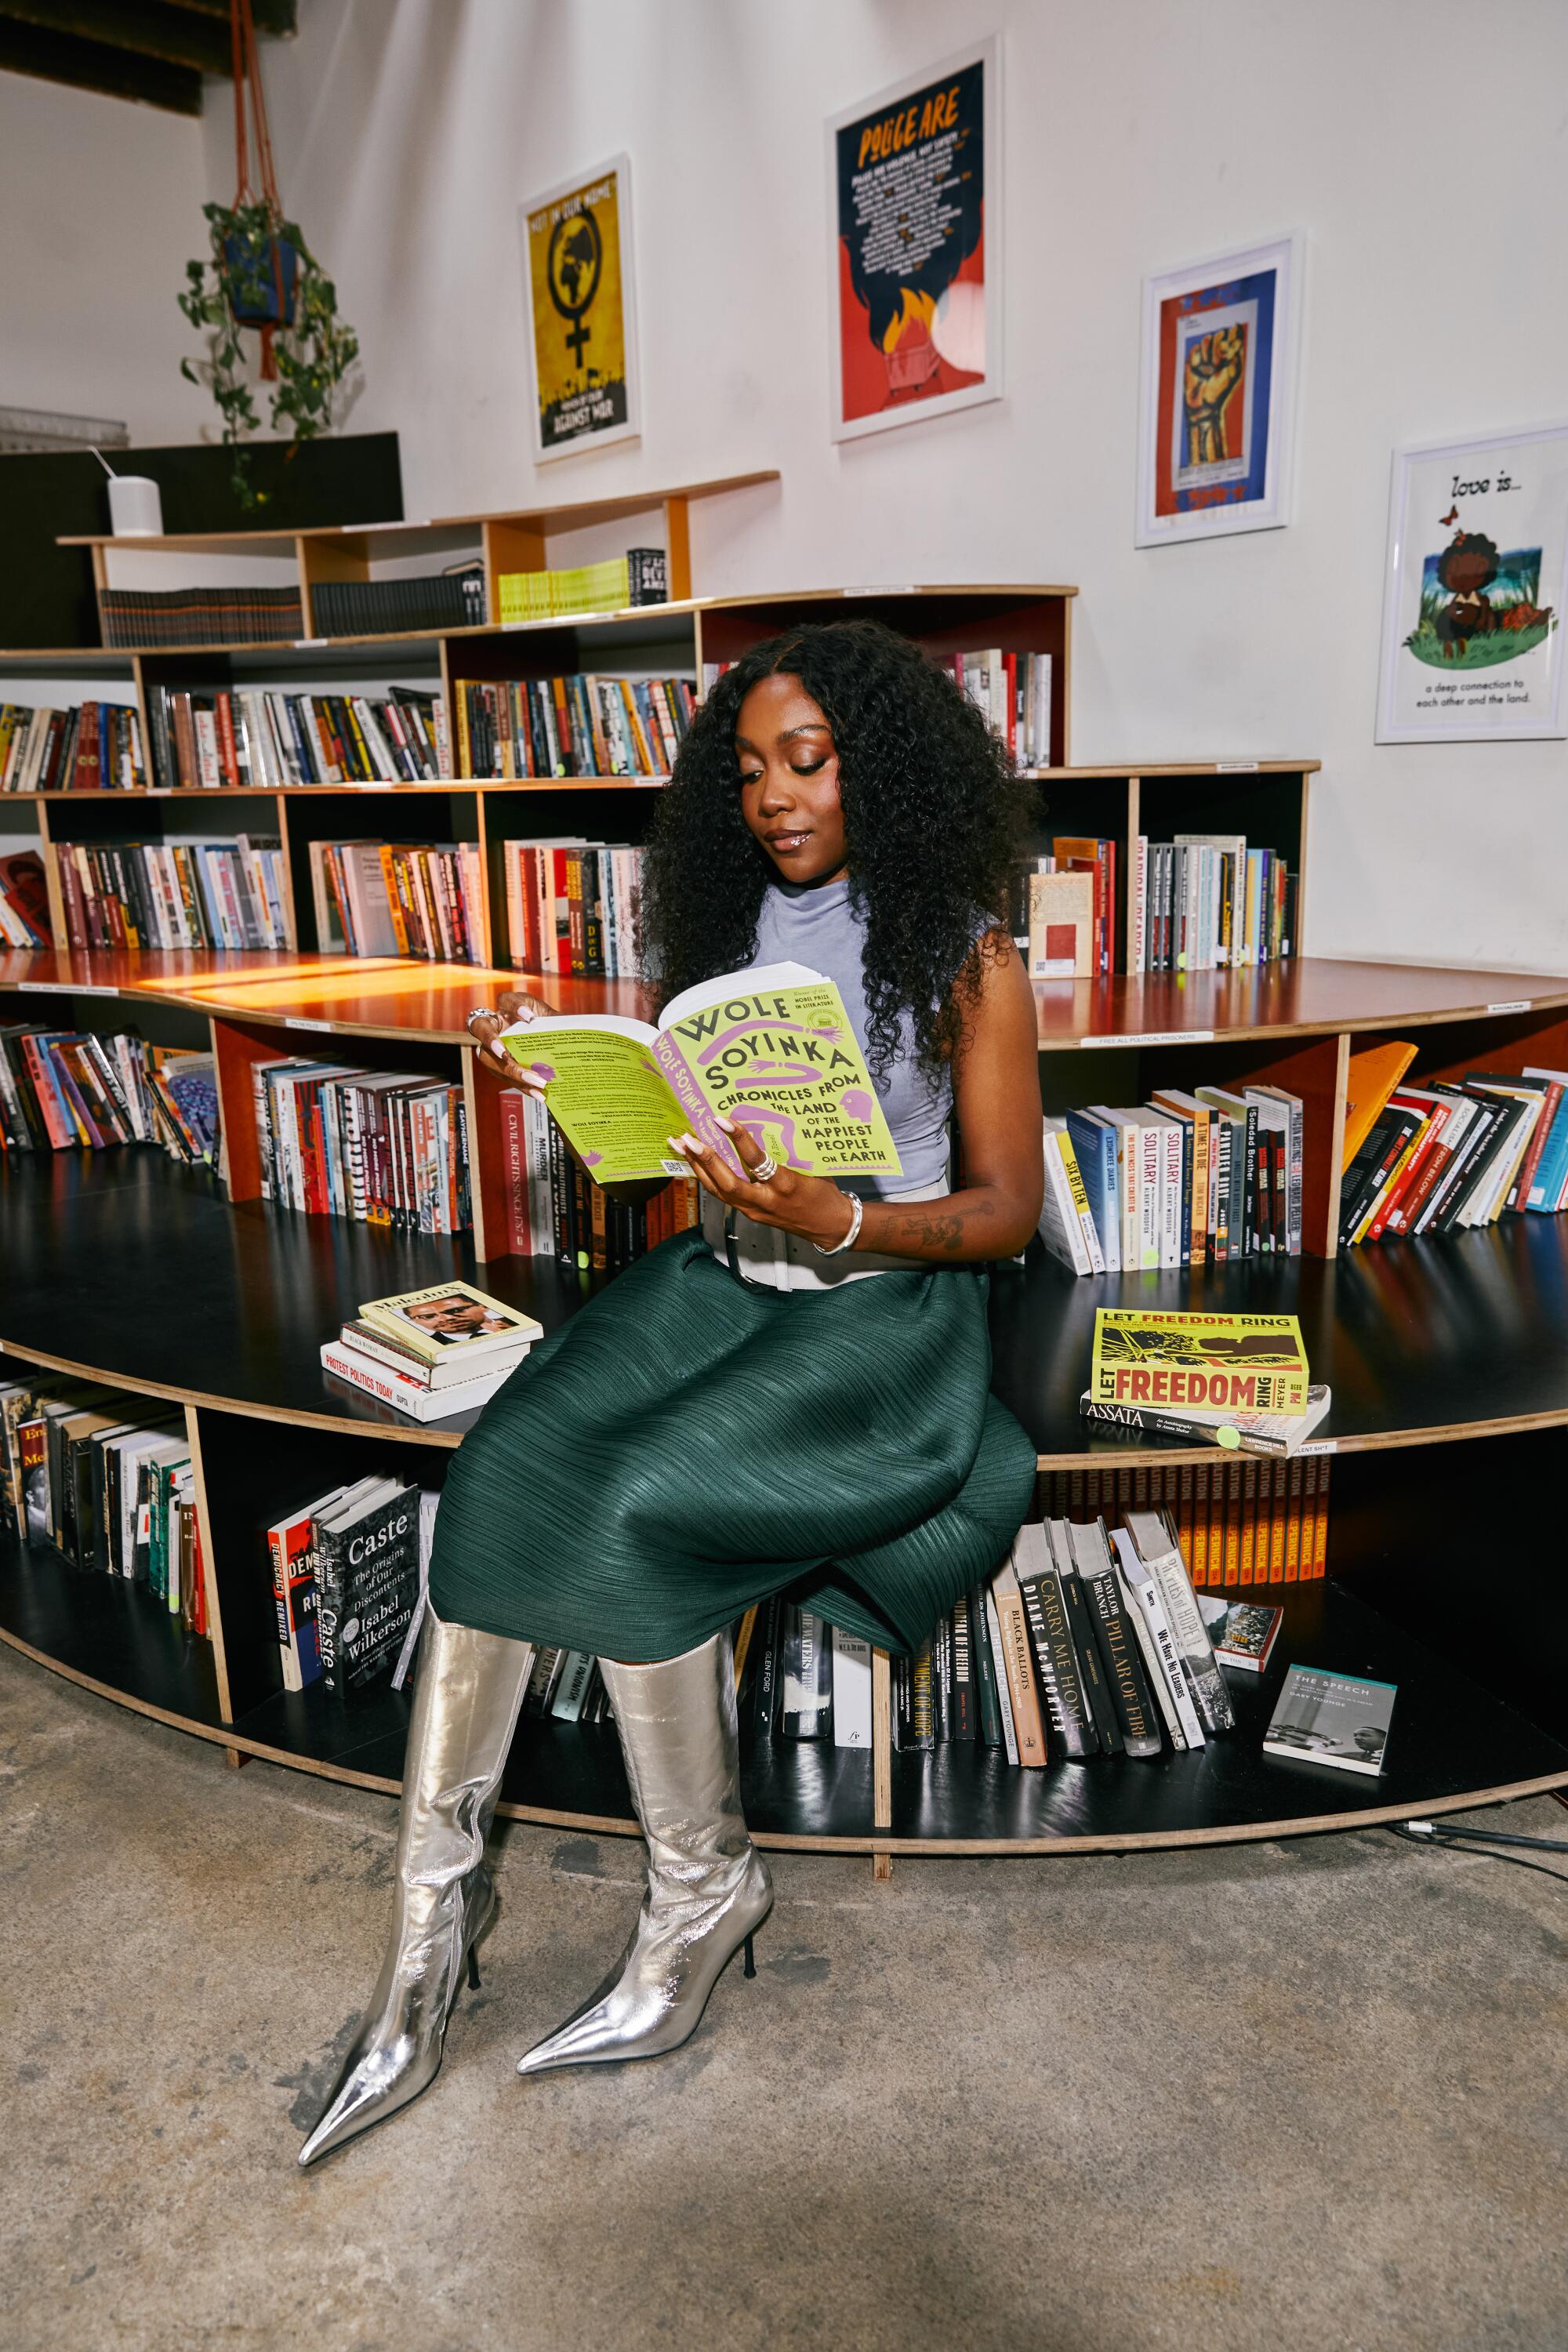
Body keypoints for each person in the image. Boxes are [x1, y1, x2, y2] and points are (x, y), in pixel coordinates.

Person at [298, 619, 1044, 2166]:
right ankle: (427, 1943)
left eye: (808, 760)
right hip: (720, 1278)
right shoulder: (731, 942)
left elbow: (1004, 1216)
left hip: (879, 1303)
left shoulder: (969, 947)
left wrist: (834, 1215)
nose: (774, 797)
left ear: (881, 771)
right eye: (750, 768)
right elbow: (669, 1156)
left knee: (641, 1508)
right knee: (499, 1470)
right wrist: (571, 1085)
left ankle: (702, 1902)